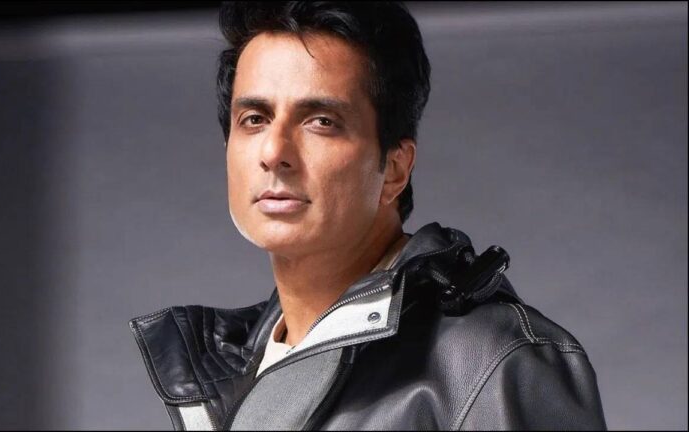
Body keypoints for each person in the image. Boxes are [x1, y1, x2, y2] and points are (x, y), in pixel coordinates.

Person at [129, 2, 607, 430]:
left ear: (395, 168)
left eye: (321, 122)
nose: (274, 152)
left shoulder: (492, 363)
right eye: (254, 119)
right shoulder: (235, 368)